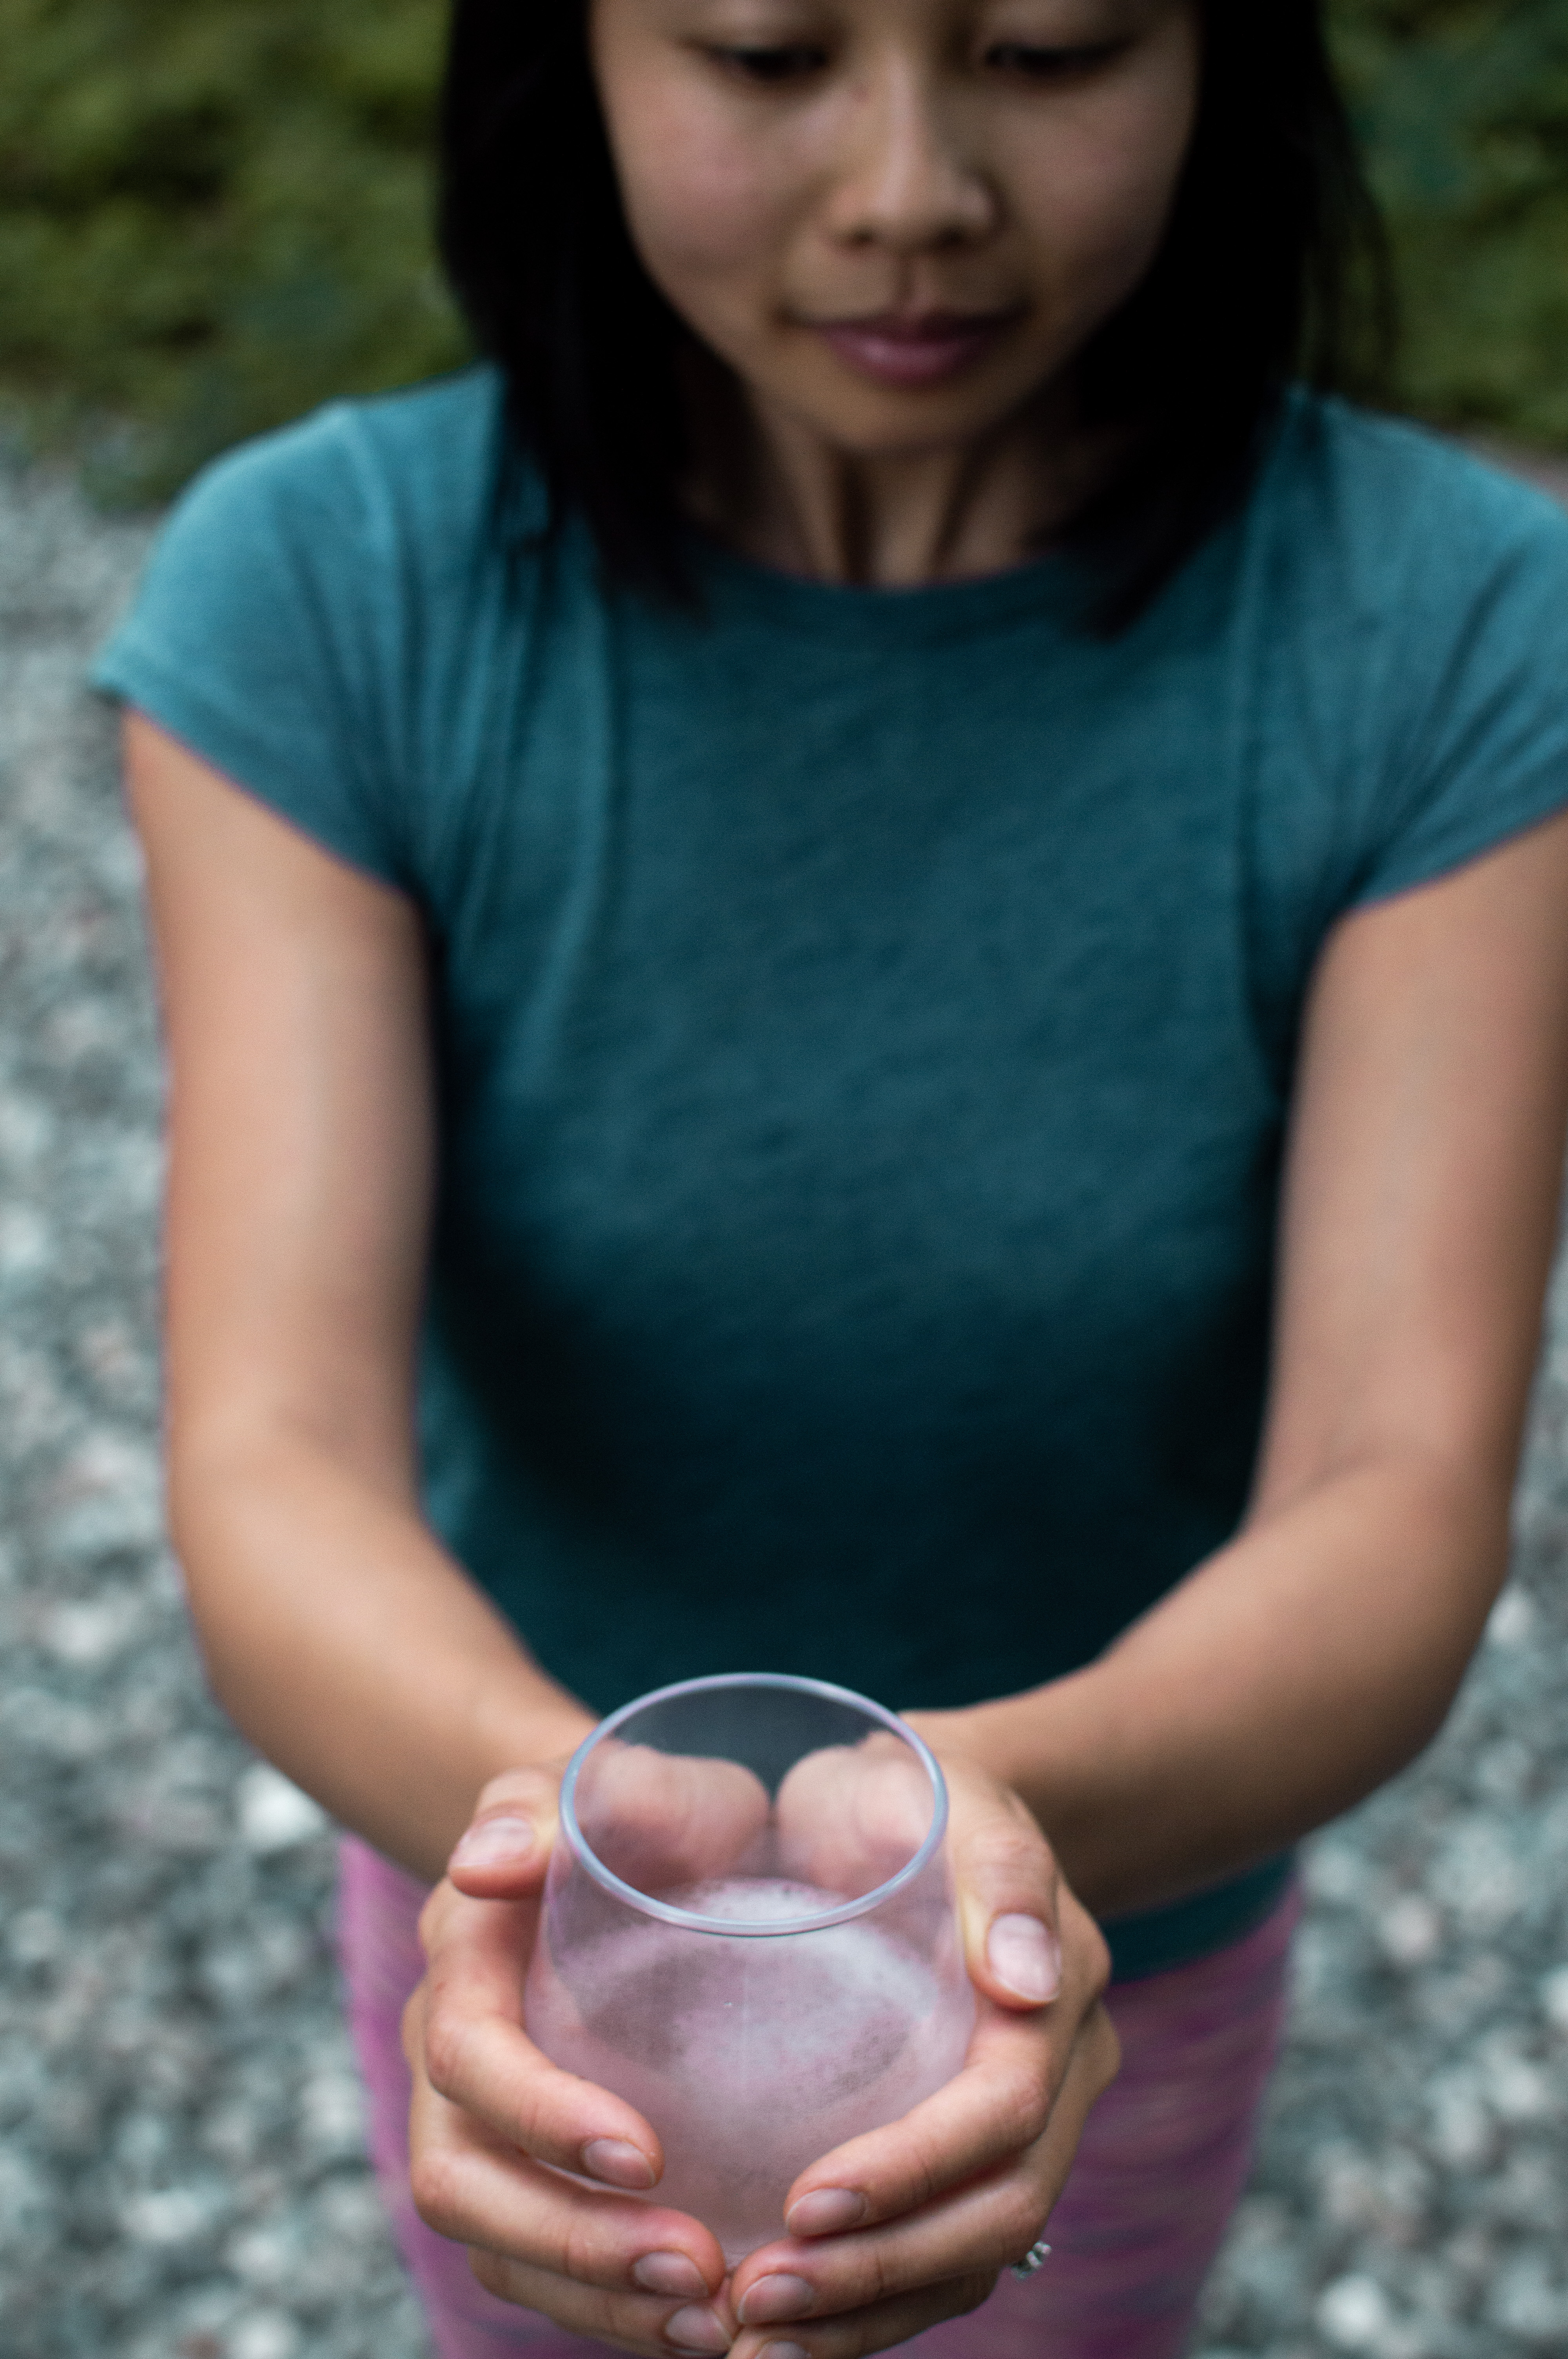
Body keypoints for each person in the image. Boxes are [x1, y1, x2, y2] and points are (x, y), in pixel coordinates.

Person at [94, 0, 1568, 2352]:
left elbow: (1396, 1493)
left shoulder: (1463, 635)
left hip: (1110, 1920)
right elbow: (272, 1453)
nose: (910, 186)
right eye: (768, 53)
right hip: (516, 1903)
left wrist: (973, 1837)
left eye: (1053, 47)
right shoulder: (325, 594)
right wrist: (583, 1864)